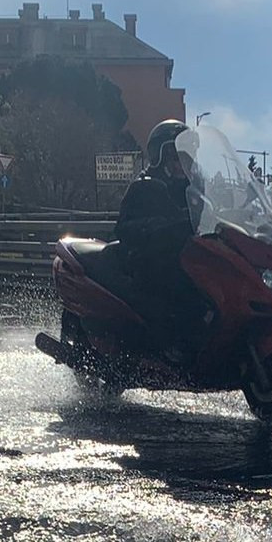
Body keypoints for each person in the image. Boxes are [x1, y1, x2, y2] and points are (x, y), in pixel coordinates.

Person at [114, 119, 208, 361]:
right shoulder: (143, 188)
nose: (181, 164)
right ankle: (166, 348)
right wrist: (152, 227)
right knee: (175, 287)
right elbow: (122, 228)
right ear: (160, 157)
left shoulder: (195, 190)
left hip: (189, 255)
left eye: (185, 157)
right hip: (149, 260)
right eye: (176, 158)